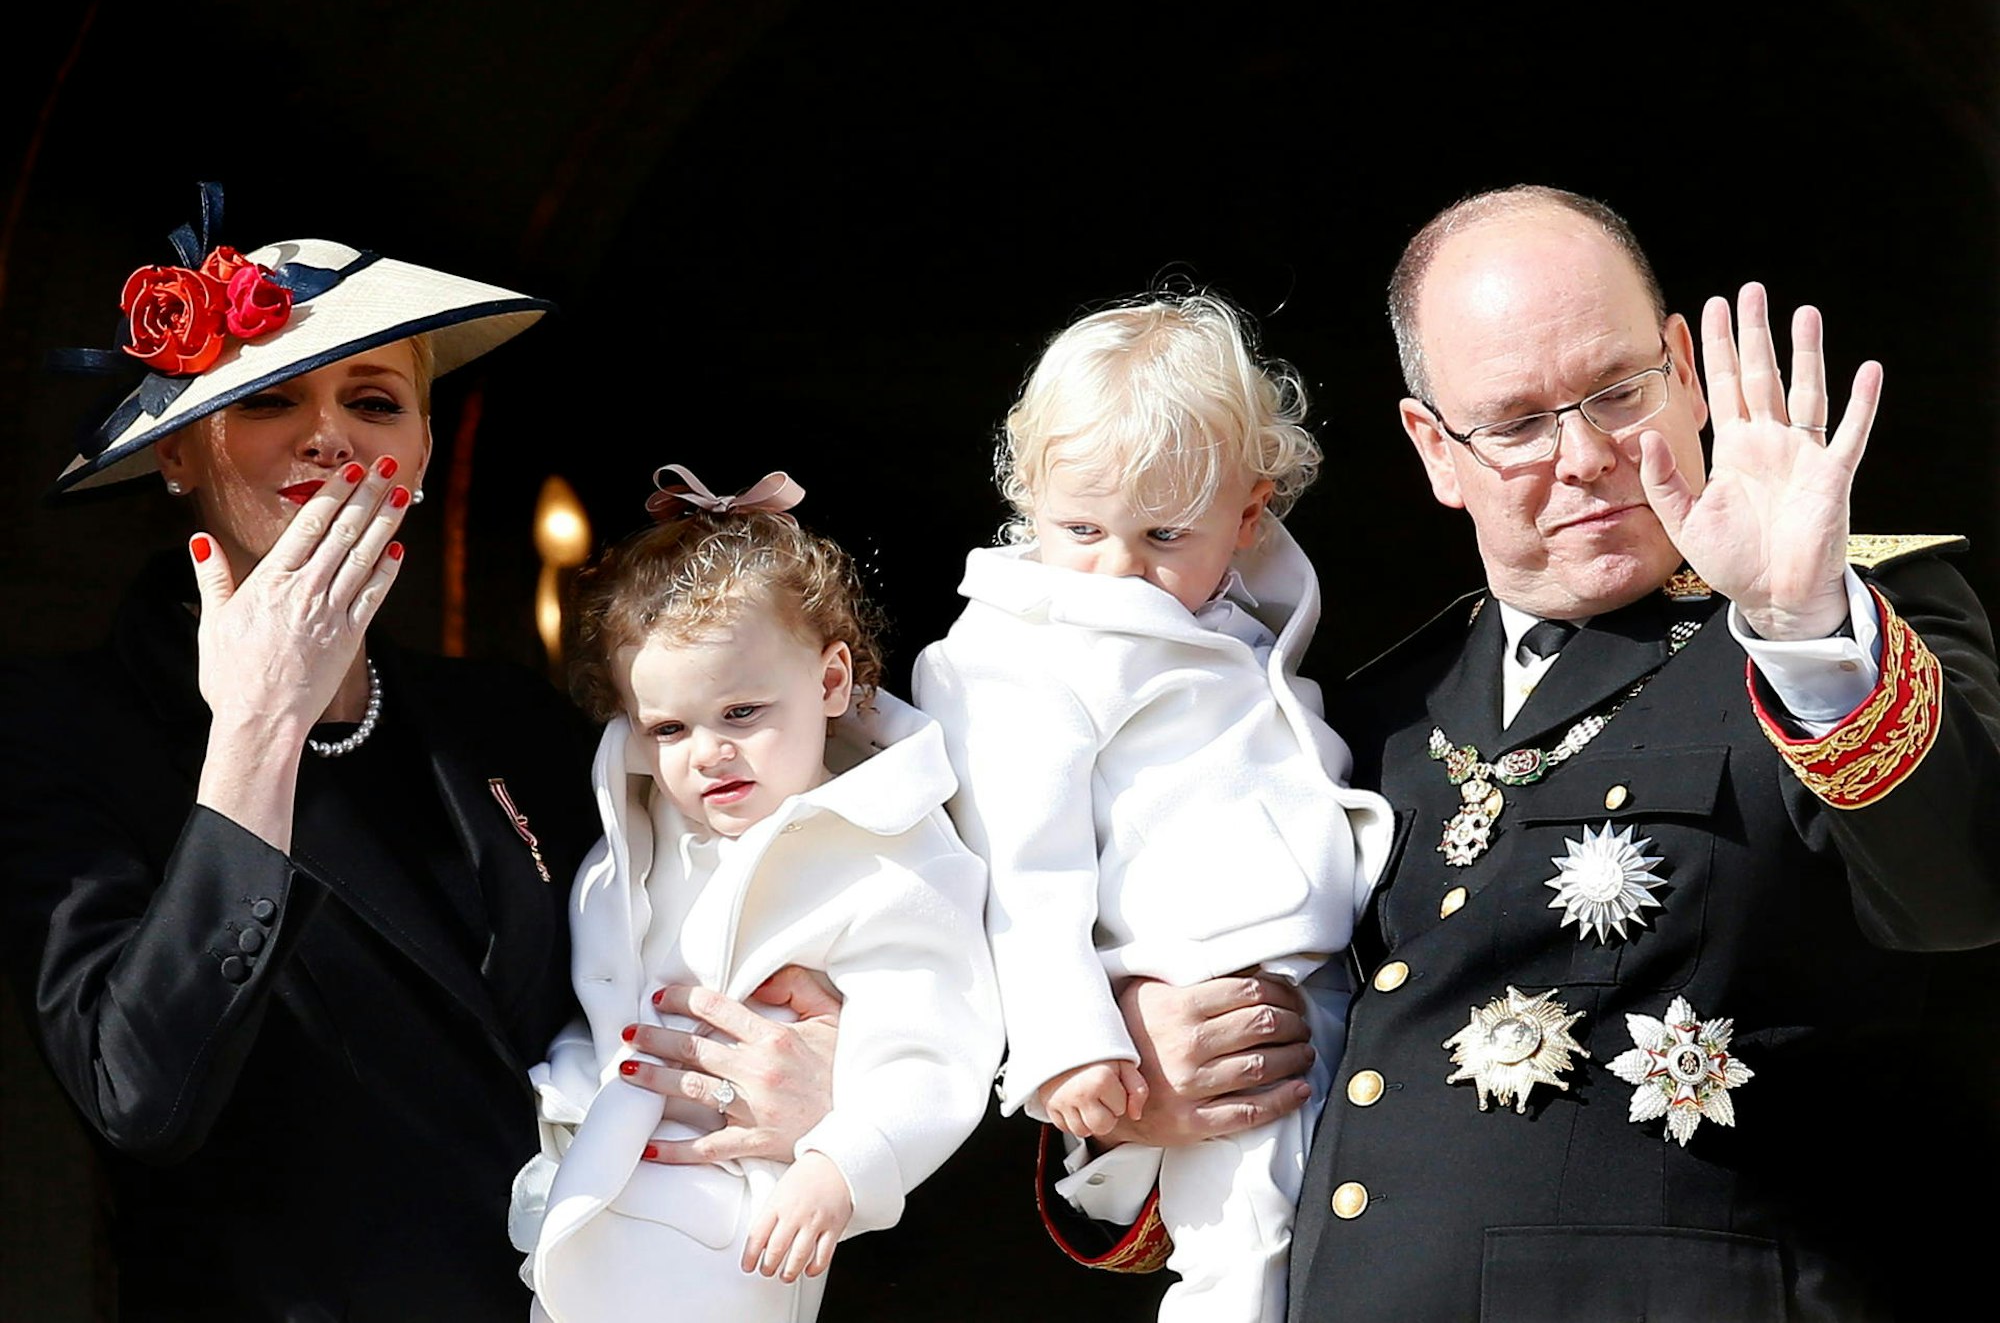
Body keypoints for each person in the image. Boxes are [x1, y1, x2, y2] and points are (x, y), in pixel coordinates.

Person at [1041, 187, 2000, 1321]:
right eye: (1515, 423)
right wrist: (1133, 1078)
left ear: (1682, 370)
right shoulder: (1352, 719)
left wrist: (1801, 624)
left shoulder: (1838, 626)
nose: (1584, 455)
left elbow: (1961, 888)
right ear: (1433, 448)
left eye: (1616, 392)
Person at [0, 188, 841, 1321]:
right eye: (269, 400)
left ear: (423, 447)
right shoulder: (67, 724)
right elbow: (140, 1091)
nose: (328, 434)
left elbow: (756, 918)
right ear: (182, 453)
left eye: (373, 399)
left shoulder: (508, 721)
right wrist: (258, 730)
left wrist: (826, 1071)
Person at [914, 295, 1393, 1321]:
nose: (1118, 567)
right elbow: (1020, 869)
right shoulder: (1017, 654)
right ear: (1026, 494)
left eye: (1162, 533)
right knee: (1239, 1245)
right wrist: (1066, 1043)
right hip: (1186, 988)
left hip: (1302, 971)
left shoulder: (1237, 608)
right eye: (1078, 527)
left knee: (1333, 1225)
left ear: (1249, 512)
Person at [515, 466, 1002, 1323]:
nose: (707, 751)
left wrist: (844, 1163)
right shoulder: (638, 829)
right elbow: (607, 992)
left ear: (830, 681)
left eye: (742, 712)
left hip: (743, 1223)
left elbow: (935, 1038)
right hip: (594, 1183)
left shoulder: (890, 853)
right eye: (670, 727)